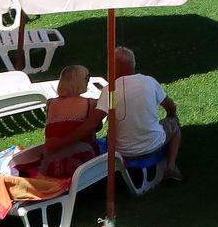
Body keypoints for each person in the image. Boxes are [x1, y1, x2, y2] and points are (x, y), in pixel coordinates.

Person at [108, 45, 182, 180]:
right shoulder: (149, 82)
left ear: (117, 66)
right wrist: (171, 115)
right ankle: (171, 167)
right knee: (174, 124)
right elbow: (170, 106)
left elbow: (99, 119)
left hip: (122, 152)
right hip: (152, 144)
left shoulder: (110, 90)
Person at [17, 65, 103, 180]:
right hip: (82, 164)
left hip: (51, 165)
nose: (88, 80)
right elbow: (97, 127)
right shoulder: (91, 104)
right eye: (87, 77)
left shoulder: (50, 103)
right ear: (79, 81)